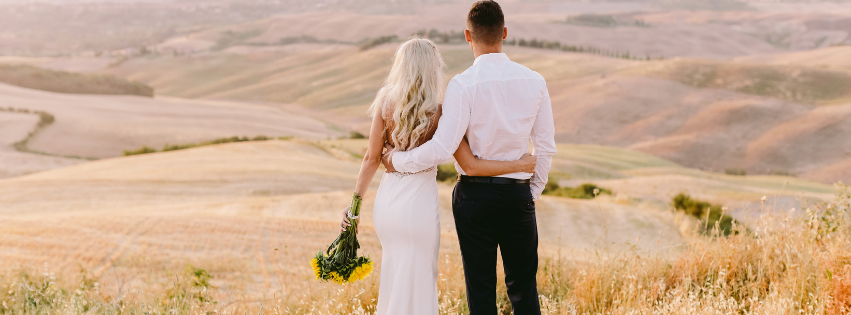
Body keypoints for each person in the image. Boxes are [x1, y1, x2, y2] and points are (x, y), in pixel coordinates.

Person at [381, 1, 557, 314]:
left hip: (474, 197)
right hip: (517, 195)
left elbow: (441, 147)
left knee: (480, 289)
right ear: (504, 32)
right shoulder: (535, 81)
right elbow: (545, 146)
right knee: (524, 289)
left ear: (467, 35)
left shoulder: (462, 85)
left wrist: (396, 162)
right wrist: (531, 191)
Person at [339, 37, 537, 315]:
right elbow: (468, 162)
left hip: (388, 203)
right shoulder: (440, 112)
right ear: (433, 68)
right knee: (420, 275)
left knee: (395, 272)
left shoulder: (385, 104)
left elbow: (372, 158)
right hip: (418, 205)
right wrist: (518, 163)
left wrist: (355, 207)